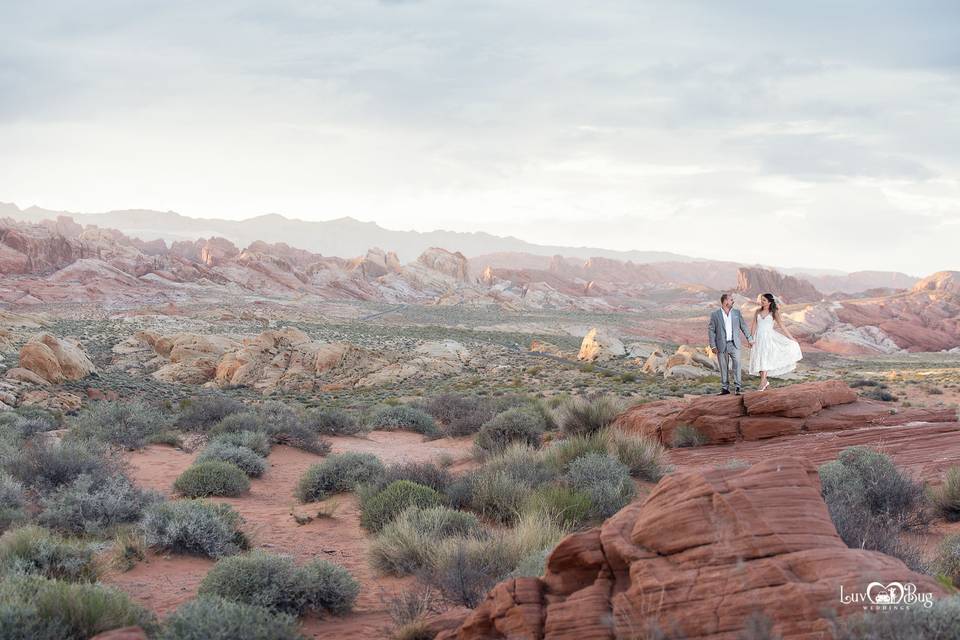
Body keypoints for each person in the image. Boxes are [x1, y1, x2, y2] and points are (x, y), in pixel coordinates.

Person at [749, 292, 803, 391]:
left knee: (764, 359)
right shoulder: (757, 312)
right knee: (759, 359)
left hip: (769, 338)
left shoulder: (774, 313)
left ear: (769, 302)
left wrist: (791, 338)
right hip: (758, 339)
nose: (762, 302)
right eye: (761, 300)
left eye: (764, 300)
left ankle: (762, 383)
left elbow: (782, 326)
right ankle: (765, 382)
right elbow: (753, 326)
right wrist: (751, 339)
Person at [708, 293, 753, 395]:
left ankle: (737, 387)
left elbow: (744, 327)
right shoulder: (715, 315)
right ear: (725, 301)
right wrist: (713, 346)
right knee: (723, 367)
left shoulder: (737, 313)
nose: (733, 301)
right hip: (721, 345)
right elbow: (711, 331)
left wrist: (750, 339)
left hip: (735, 344)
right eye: (731, 300)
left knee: (737, 365)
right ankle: (725, 388)